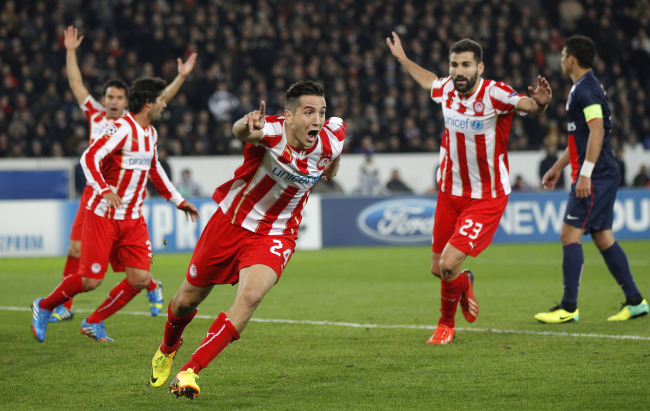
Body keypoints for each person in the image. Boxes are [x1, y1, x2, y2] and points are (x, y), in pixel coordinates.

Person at [148, 80, 345, 399]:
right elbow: (241, 131)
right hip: (231, 224)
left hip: (276, 234)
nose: (317, 120)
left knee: (251, 297)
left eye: (321, 112)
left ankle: (190, 371)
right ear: (289, 116)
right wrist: (245, 123)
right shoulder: (270, 132)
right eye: (308, 112)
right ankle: (169, 346)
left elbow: (335, 151)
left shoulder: (331, 135)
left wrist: (332, 165)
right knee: (186, 301)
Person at [386, 32, 551, 344]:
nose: (458, 71)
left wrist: (539, 104)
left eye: (465, 65)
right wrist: (402, 59)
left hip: (485, 198)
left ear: (480, 68)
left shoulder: (495, 94)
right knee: (439, 269)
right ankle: (465, 283)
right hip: (449, 194)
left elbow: (525, 103)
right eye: (454, 64)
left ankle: (445, 325)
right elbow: (428, 81)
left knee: (449, 264)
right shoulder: (446, 88)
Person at [31, 77, 200, 343]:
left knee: (140, 278)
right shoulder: (121, 128)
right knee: (90, 281)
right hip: (103, 216)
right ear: (148, 103)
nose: (165, 105)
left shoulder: (151, 134)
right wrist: (104, 189)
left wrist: (178, 200)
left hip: (133, 219)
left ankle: (94, 321)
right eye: (161, 100)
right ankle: (44, 306)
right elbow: (89, 157)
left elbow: (155, 169)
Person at [48, 26, 197, 323]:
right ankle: (64, 305)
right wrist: (71, 51)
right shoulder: (96, 114)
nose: (114, 102)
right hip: (98, 189)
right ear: (103, 100)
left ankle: (148, 285)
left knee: (126, 262)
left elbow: (160, 98)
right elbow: (76, 83)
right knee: (76, 247)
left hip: (126, 197)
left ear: (126, 100)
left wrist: (180, 77)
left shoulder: (140, 126)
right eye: (109, 97)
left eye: (119, 97)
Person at [536, 35, 648, 323]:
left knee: (569, 234)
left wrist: (584, 174)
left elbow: (597, 131)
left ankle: (568, 307)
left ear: (572, 58)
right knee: (602, 236)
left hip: (595, 175)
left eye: (562, 55)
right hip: (598, 172)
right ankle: (635, 301)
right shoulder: (585, 87)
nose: (560, 59)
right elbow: (580, 139)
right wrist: (559, 166)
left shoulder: (585, 90)